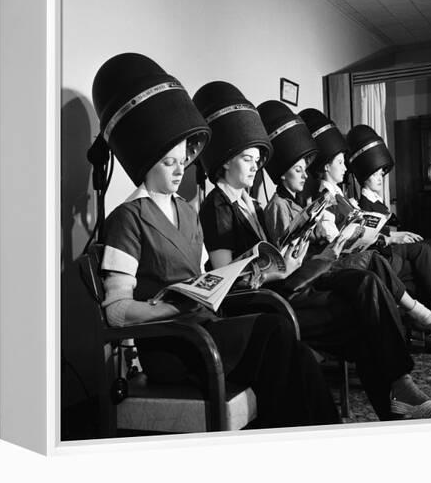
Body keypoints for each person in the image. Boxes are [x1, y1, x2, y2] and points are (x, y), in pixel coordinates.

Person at [92, 53, 340, 429]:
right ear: (145, 161)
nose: (179, 171)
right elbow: (116, 311)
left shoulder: (188, 213)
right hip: (174, 344)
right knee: (275, 334)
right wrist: (171, 310)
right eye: (168, 163)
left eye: (182, 161)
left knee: (299, 356)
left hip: (207, 326)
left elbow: (206, 275)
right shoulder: (127, 218)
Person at [194, 85, 431, 420]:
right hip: (267, 302)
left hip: (286, 286)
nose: (255, 167)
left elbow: (270, 256)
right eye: (247, 160)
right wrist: (276, 269)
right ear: (225, 162)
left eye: (258, 161)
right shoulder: (217, 207)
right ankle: (399, 397)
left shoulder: (251, 205)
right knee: (363, 308)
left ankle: (399, 398)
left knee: (365, 290)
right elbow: (225, 279)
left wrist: (298, 252)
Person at [299, 109, 431, 342]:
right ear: (326, 167)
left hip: (369, 249)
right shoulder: (325, 198)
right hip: (355, 257)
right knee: (416, 253)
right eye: (341, 163)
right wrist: (369, 234)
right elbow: (336, 240)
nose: (345, 168)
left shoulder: (340, 196)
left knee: (422, 250)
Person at [346, 124, 431, 351]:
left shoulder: (375, 200)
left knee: (430, 247)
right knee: (426, 249)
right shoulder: (361, 203)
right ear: (365, 176)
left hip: (386, 247)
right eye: (376, 174)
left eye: (381, 174)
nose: (381, 178)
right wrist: (393, 235)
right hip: (379, 253)